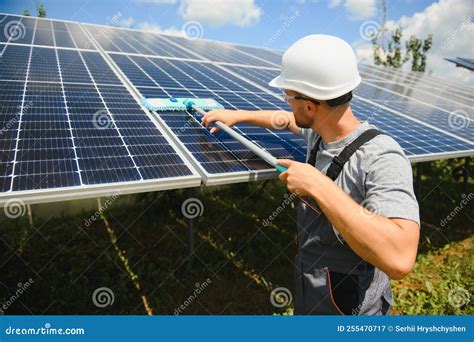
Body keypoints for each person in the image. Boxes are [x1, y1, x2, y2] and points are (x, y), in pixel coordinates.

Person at [201, 34, 420, 315]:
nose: (286, 102)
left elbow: (400, 258)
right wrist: (239, 115)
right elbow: (286, 119)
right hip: (312, 285)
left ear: (309, 106)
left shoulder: (380, 156)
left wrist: (319, 185)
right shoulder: (320, 132)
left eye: (288, 96)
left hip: (351, 308)